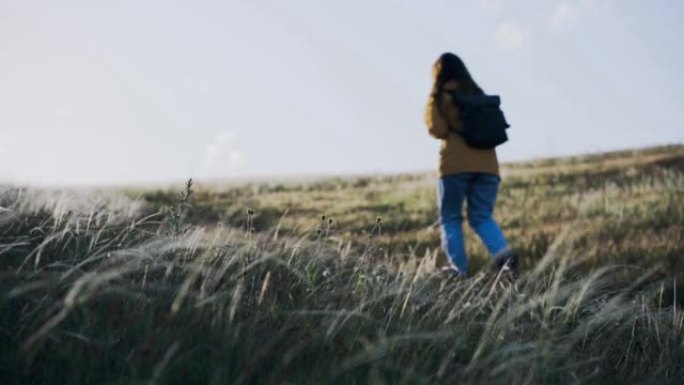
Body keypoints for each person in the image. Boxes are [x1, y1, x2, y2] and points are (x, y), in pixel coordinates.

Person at [424, 52, 517, 277]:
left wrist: (434, 100)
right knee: (482, 217)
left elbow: (437, 129)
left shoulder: (442, 96)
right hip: (488, 167)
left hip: (455, 166)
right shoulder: (479, 95)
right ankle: (505, 258)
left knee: (450, 218)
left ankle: (459, 271)